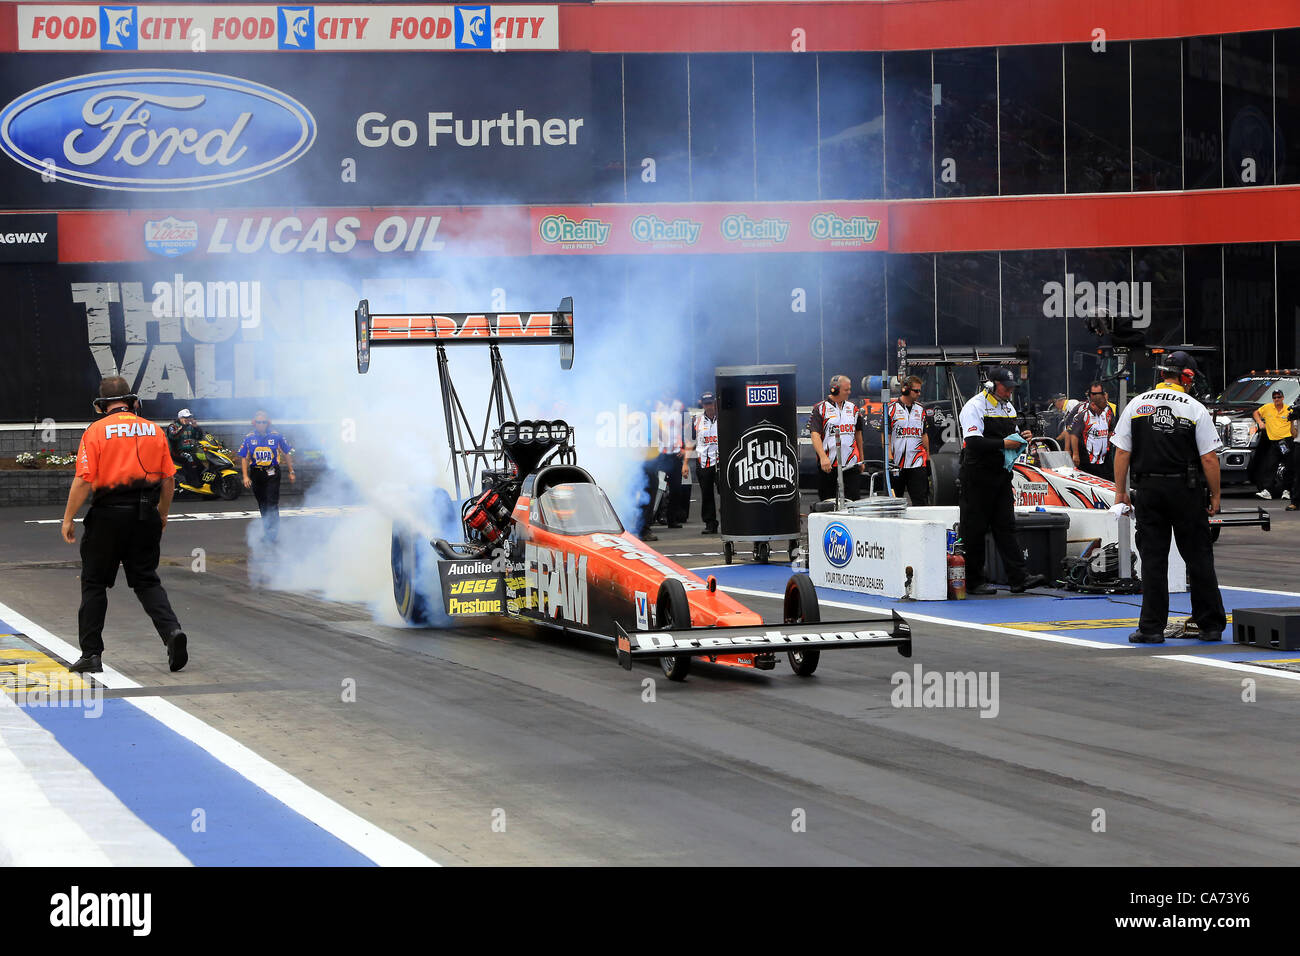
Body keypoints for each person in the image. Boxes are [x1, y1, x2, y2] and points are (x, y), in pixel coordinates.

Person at [61, 377, 188, 674]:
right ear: (132, 402)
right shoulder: (154, 430)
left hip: (107, 515)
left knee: (94, 582)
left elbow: (83, 480)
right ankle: (172, 632)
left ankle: (92, 654)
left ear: (102, 405)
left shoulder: (95, 431)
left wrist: (68, 518)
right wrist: (163, 514)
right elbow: (168, 480)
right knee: (146, 580)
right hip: (146, 515)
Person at [1111, 351, 1227, 644]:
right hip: (1185, 491)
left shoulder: (1137, 404)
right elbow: (1210, 459)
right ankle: (1210, 625)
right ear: (1187, 376)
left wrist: (1120, 492)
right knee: (1198, 557)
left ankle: (1151, 628)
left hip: (1147, 491)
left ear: (1163, 374)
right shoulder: (1195, 408)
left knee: (1153, 560)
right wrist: (1215, 495)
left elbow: (1122, 452)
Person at [957, 367, 1048, 595]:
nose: (1009, 392)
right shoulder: (974, 406)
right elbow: (974, 442)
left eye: (1011, 388)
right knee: (974, 529)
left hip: (1001, 474)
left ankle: (1019, 578)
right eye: (1006, 387)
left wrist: (1023, 437)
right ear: (992, 384)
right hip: (977, 475)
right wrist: (1004, 444)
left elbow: (1013, 435)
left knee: (1006, 526)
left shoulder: (1008, 407)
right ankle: (974, 581)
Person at [238, 411, 296, 543]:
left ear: (268, 423)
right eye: (258, 422)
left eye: (264, 422)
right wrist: (246, 476)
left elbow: (286, 453)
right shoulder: (249, 438)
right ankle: (267, 531)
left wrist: (291, 471)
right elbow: (244, 457)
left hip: (272, 473)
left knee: (271, 502)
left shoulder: (277, 436)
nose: (261, 425)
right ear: (254, 423)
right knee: (262, 504)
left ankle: (273, 533)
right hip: (256, 473)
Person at [810, 374, 864, 502]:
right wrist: (823, 457)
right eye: (846, 390)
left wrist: (861, 458)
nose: (849, 392)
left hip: (851, 464)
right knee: (827, 503)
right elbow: (814, 434)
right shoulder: (820, 408)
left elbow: (858, 434)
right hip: (828, 464)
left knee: (853, 502)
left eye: (849, 389)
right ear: (834, 389)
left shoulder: (853, 408)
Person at [886, 375, 930, 505]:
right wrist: (889, 457)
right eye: (916, 390)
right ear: (905, 390)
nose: (919, 393)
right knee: (894, 502)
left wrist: (927, 456)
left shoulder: (921, 409)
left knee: (921, 501)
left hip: (917, 462)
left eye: (919, 390)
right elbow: (886, 435)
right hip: (896, 463)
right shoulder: (890, 408)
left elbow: (924, 434)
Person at [651, 389, 687, 528]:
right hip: (660, 454)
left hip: (675, 454)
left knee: (676, 489)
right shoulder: (656, 407)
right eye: (665, 392)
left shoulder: (680, 407)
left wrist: (683, 447)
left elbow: (688, 428)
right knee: (656, 486)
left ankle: (672, 519)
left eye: (670, 392)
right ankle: (654, 516)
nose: (667, 394)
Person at [1070, 382, 1118, 480]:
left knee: (1107, 480)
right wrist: (1075, 454)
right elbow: (1073, 433)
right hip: (1087, 458)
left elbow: (1111, 429)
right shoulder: (1083, 413)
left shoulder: (1108, 410)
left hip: (1104, 457)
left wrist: (1108, 443)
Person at [1251, 388, 1292, 500]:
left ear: (1283, 398)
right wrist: (1260, 422)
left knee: (1288, 466)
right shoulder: (1268, 407)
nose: (1276, 399)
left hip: (1286, 441)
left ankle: (1287, 490)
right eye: (1274, 397)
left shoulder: (1288, 409)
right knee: (1270, 466)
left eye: (1279, 397)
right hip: (1274, 442)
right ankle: (1267, 490)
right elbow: (1256, 412)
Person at [689, 390, 720, 534]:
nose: (710, 406)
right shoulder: (696, 420)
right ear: (703, 404)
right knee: (706, 494)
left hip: (721, 463)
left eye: (711, 403)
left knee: (726, 493)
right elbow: (690, 441)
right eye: (707, 404)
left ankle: (729, 521)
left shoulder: (724, 418)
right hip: (703, 463)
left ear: (715, 402)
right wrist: (685, 463)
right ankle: (710, 523)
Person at [166, 407, 204, 488]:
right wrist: (183, 426)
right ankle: (193, 482)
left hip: (190, 451)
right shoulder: (172, 426)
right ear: (180, 418)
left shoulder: (190, 426)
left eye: (189, 417)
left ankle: (203, 482)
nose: (188, 419)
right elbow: (174, 436)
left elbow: (199, 437)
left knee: (200, 462)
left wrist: (197, 427)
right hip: (177, 452)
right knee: (190, 457)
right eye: (185, 417)